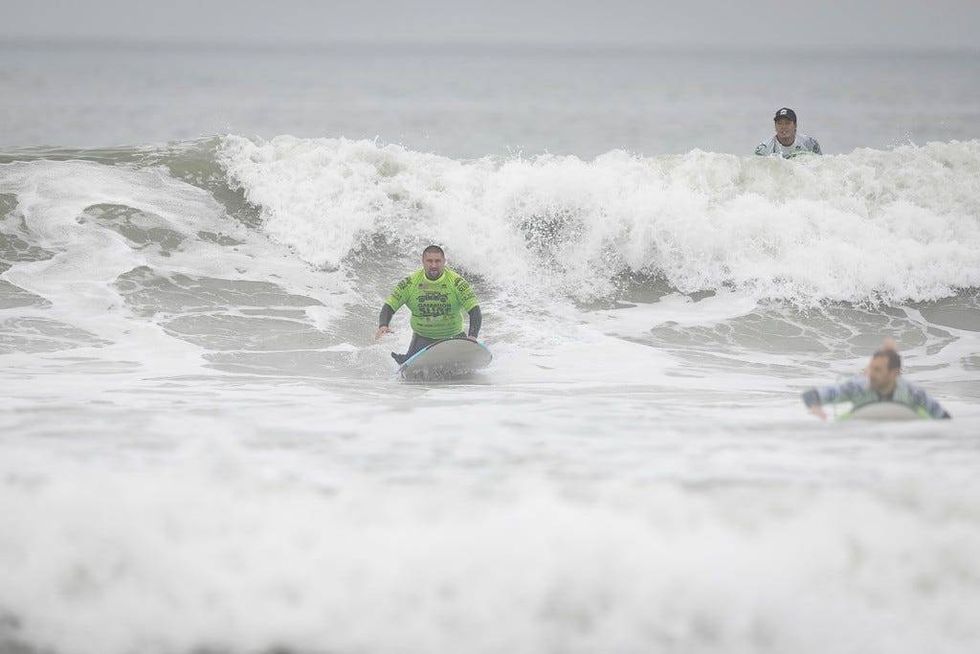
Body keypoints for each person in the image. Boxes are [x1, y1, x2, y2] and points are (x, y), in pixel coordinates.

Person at [375, 245, 482, 364]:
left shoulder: (457, 283)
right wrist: (383, 325)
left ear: (444, 261)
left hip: (454, 337)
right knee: (408, 367)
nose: (434, 265)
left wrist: (472, 336)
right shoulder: (410, 283)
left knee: (466, 368)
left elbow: (474, 309)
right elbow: (390, 305)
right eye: (429, 261)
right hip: (423, 338)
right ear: (423, 261)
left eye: (438, 261)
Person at [801, 339, 951, 420]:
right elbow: (810, 395)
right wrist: (815, 407)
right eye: (871, 368)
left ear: (894, 373)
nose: (871, 374)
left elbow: (944, 419)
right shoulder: (858, 387)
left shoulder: (912, 393)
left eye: (877, 370)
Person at [754, 107, 822, 158]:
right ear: (775, 126)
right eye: (779, 123)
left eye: (787, 123)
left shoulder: (810, 144)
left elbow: (821, 168)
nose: (783, 127)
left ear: (795, 125)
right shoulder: (764, 149)